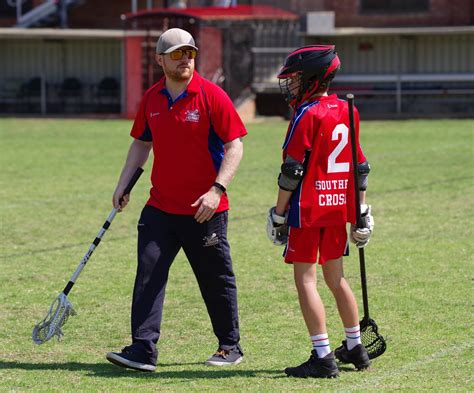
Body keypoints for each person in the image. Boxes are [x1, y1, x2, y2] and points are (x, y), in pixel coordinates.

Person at [106, 28, 247, 372]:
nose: (185, 59)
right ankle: (143, 349)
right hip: (160, 207)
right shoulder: (152, 98)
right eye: (177, 54)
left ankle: (230, 346)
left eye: (190, 53)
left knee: (215, 278)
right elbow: (142, 143)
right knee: (149, 274)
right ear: (160, 60)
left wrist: (217, 190)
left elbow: (235, 146)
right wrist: (124, 183)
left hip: (204, 211)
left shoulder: (212, 95)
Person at [266, 45, 374, 378]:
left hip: (308, 209)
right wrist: (362, 209)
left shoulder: (307, 114)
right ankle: (355, 346)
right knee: (336, 278)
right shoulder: (347, 110)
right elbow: (360, 166)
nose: (292, 85)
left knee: (306, 280)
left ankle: (323, 355)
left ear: (313, 79)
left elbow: (292, 170)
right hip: (337, 209)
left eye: (296, 79)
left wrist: (279, 213)